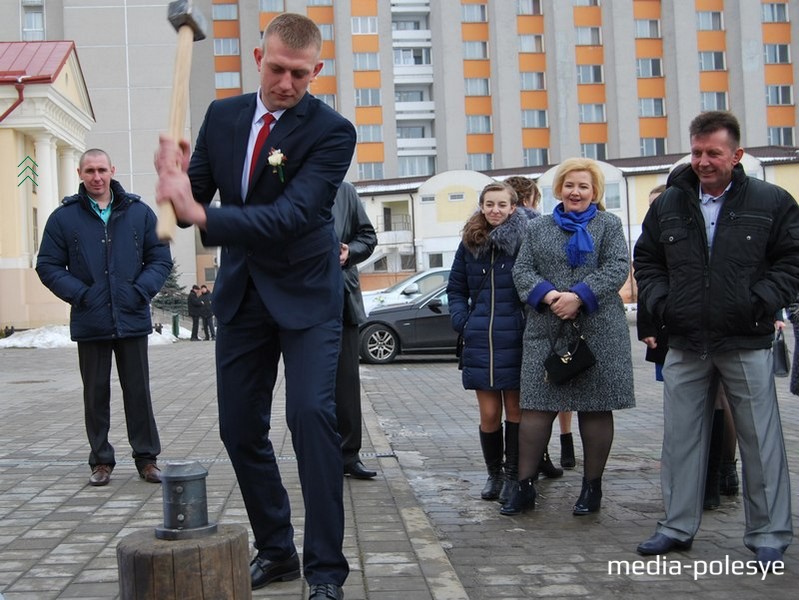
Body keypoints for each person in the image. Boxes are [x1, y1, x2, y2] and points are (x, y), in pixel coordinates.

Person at [154, 12, 356, 600]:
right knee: (239, 429)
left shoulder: (333, 131)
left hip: (308, 297)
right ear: (256, 58)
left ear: (318, 70)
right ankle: (277, 550)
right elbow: (194, 192)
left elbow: (293, 216)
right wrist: (174, 180)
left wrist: (201, 215)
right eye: (276, 69)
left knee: (311, 419)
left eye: (299, 73)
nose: (286, 83)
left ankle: (325, 572)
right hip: (241, 294)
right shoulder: (223, 116)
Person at [634, 110, 799, 571]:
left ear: (737, 154)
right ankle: (675, 526)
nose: (704, 161)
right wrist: (664, 304)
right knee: (680, 438)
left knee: (760, 441)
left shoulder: (771, 200)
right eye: (697, 152)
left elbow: (793, 260)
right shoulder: (668, 203)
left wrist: (760, 300)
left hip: (744, 338)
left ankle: (768, 534)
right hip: (685, 338)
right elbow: (647, 260)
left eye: (714, 153)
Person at [505, 157, 635, 516]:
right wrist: (550, 296)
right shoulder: (538, 227)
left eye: (583, 186)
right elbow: (523, 270)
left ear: (594, 192)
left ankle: (592, 488)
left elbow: (617, 266)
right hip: (547, 328)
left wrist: (579, 296)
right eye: (569, 185)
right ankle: (524, 486)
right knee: (536, 406)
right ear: (559, 189)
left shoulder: (609, 224)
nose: (575, 192)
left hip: (598, 329)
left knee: (595, 407)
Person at [36, 148, 171, 487]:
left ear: (112, 170)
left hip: (131, 316)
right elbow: (48, 265)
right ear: (80, 174)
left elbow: (160, 258)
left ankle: (147, 459)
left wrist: (140, 291)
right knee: (95, 394)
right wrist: (81, 294)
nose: (96, 177)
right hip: (91, 319)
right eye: (89, 171)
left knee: (138, 391)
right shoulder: (63, 218)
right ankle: (101, 461)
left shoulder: (138, 213)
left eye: (101, 170)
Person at [447, 182, 532, 510]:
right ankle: (493, 474)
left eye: (501, 205)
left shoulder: (525, 240)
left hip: (516, 338)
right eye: (489, 204)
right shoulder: (469, 243)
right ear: (481, 206)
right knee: (489, 412)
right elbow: (455, 287)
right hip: (480, 338)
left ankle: (513, 475)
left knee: (516, 411)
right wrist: (462, 319)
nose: (495, 210)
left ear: (514, 208)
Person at [503, 175, 565, 478]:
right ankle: (538, 457)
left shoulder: (494, 226)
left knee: (521, 401)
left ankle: (518, 466)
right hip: (539, 315)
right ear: (531, 198)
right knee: (540, 398)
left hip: (505, 319)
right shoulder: (540, 225)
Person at [332, 181, 378, 479]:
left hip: (342, 298)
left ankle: (349, 455)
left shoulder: (344, 191)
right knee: (310, 389)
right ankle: (318, 454)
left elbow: (368, 236)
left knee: (346, 383)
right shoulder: (285, 182)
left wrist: (350, 252)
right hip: (299, 301)